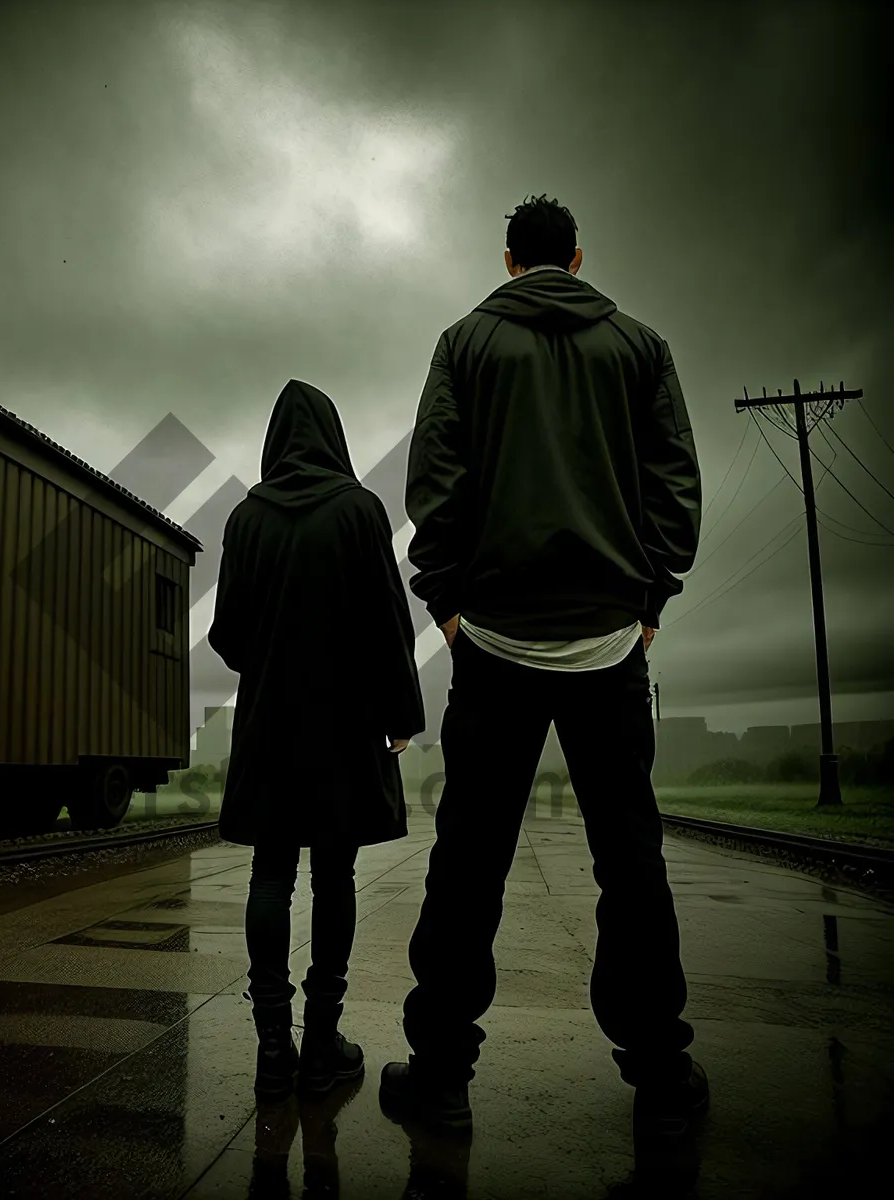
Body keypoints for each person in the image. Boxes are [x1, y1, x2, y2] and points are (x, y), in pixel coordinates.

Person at [380, 195, 707, 1138]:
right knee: (630, 858)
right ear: (576, 254)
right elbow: (673, 481)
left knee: (469, 859)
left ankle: (440, 1073)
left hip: (494, 642)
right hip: (609, 643)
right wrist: (650, 603)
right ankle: (661, 1074)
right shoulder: (641, 346)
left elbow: (434, 481)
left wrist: (444, 604)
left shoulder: (463, 343)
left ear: (511, 260)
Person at [209, 379, 425, 1101]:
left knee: (270, 872)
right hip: (346, 721)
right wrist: (401, 714)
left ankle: (273, 1045)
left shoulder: (246, 519)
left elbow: (228, 636)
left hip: (271, 721)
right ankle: (323, 1039)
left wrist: (272, 654)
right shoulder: (362, 511)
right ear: (333, 436)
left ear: (275, 441)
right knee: (335, 874)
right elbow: (390, 621)